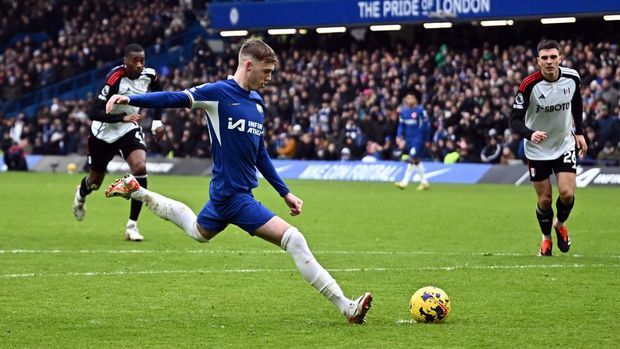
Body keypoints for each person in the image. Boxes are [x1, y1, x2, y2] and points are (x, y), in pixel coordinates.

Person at [102, 38, 372, 323]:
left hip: (227, 194)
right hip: (234, 197)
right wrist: (132, 99)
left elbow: (261, 152)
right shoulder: (218, 93)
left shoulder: (257, 103)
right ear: (248, 65)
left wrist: (285, 193)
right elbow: (175, 97)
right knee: (294, 240)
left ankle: (138, 192)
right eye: (266, 72)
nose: (269, 78)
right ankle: (346, 307)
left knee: (197, 231)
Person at [72, 44, 163, 241]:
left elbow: (159, 94)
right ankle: (81, 193)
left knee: (140, 167)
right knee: (95, 182)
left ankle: (132, 226)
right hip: (104, 132)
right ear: (125, 62)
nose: (139, 65)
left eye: (142, 61)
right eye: (135, 61)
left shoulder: (150, 75)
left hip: (128, 129)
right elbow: (94, 112)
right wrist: (121, 118)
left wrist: (157, 121)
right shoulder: (114, 79)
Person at [509, 39, 588, 256]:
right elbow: (514, 120)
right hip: (537, 149)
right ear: (538, 61)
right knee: (544, 200)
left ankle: (559, 224)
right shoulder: (528, 85)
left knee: (567, 194)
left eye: (553, 57)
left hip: (564, 144)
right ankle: (545, 239)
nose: (550, 61)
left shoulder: (572, 77)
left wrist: (579, 132)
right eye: (545, 58)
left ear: (560, 58)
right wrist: (530, 133)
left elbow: (577, 102)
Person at [394, 94, 431, 190]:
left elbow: (426, 126)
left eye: (411, 98)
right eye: (408, 98)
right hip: (409, 139)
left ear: (415, 100)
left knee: (412, 157)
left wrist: (427, 139)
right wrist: (399, 136)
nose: (409, 100)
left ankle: (404, 182)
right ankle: (424, 182)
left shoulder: (421, 111)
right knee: (416, 160)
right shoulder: (403, 112)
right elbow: (401, 125)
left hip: (418, 138)